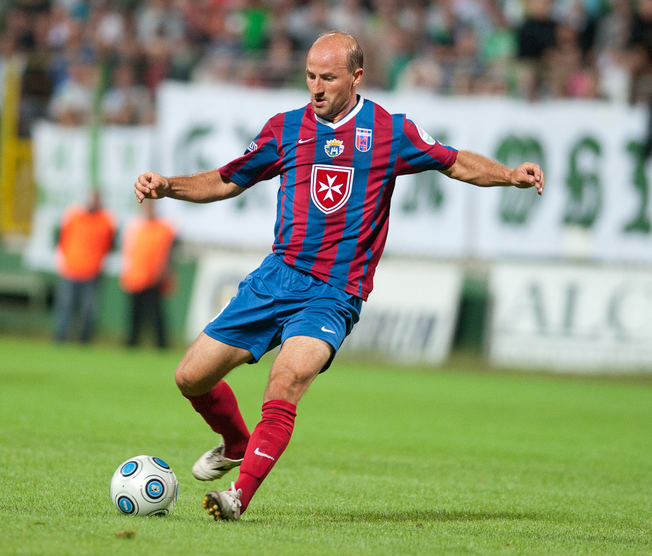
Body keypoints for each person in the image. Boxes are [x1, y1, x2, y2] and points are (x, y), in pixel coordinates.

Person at [133, 31, 544, 522]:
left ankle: (238, 496)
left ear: (356, 76)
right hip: (276, 278)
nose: (316, 86)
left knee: (286, 379)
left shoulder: (390, 130)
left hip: (333, 292)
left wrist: (508, 175)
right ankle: (236, 442)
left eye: (327, 77)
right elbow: (226, 179)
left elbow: (455, 163)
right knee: (190, 377)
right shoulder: (285, 128)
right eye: (310, 76)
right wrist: (169, 186)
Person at [53, 189, 115, 344]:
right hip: (70, 270)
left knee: (88, 311)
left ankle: (84, 341)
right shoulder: (74, 217)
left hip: (92, 273)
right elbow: (62, 238)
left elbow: (109, 245)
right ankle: (60, 339)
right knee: (65, 307)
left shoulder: (106, 221)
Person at [120, 200, 176, 349]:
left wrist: (166, 274)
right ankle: (132, 345)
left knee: (156, 316)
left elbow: (168, 254)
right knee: (134, 316)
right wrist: (126, 273)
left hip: (155, 279)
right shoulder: (134, 227)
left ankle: (161, 346)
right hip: (136, 278)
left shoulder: (164, 228)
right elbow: (128, 252)